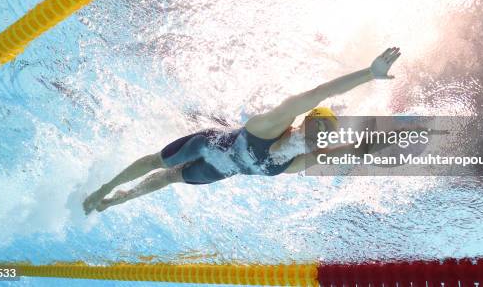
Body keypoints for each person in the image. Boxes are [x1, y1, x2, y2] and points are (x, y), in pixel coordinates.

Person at [83, 47, 401, 214]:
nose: (319, 136)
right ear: (306, 121)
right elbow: (318, 93)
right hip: (208, 146)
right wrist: (369, 74)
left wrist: (385, 141)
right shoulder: (271, 125)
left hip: (217, 172)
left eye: (324, 134)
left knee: (168, 179)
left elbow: (350, 151)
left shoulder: (296, 163)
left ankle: (120, 199)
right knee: (158, 162)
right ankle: (105, 188)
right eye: (319, 126)